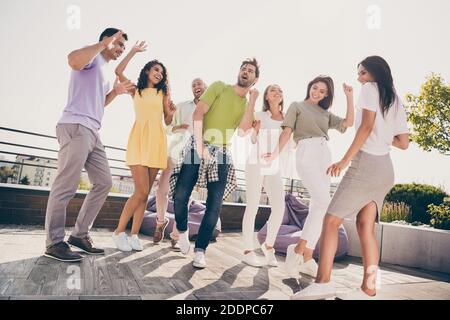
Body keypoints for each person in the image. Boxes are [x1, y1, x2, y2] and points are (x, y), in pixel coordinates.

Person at [291, 56, 409, 300]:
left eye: (362, 72)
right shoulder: (395, 99)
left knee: (331, 220)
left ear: (375, 72)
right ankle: (368, 289)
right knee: (366, 228)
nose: (359, 77)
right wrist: (384, 135)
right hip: (385, 169)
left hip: (365, 165)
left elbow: (365, 127)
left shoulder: (369, 89)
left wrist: (345, 161)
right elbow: (403, 143)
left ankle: (323, 282)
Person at [44, 28, 133, 262]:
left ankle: (79, 236)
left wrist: (115, 92)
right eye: (119, 43)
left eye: (123, 46)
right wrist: (103, 44)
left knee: (104, 182)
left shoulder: (104, 70)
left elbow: (100, 102)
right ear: (107, 39)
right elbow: (72, 60)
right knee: (66, 186)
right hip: (75, 125)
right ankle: (54, 242)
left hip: (93, 131)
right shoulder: (92, 57)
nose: (121, 49)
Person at [170, 58, 260, 269]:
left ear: (255, 79)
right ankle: (182, 231)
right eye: (243, 68)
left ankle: (200, 250)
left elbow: (244, 131)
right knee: (180, 194)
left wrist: (253, 101)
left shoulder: (247, 104)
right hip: (197, 144)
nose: (246, 72)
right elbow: (198, 112)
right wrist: (200, 146)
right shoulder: (219, 87)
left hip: (221, 152)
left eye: (251, 71)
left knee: (214, 205)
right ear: (239, 72)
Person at [263, 76, 354, 277]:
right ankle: (297, 249)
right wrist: (275, 154)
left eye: (322, 91)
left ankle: (307, 257)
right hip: (306, 152)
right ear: (309, 87)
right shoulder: (296, 106)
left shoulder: (325, 113)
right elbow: (287, 132)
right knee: (324, 202)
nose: (317, 93)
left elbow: (349, 122)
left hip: (324, 154)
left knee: (318, 206)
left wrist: (349, 96)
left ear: (326, 95)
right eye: (315, 88)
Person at [112, 41, 176, 252]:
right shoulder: (135, 90)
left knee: (145, 193)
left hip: (157, 142)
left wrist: (171, 112)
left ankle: (134, 236)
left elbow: (167, 121)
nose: (159, 74)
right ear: (147, 71)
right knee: (140, 192)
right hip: (139, 140)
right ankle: (119, 232)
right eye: (156, 69)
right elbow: (118, 70)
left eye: (162, 72)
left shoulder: (163, 93)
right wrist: (133, 51)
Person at [154, 78, 207, 248]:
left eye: (199, 84)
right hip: (175, 151)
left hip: (194, 157)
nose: (196, 86)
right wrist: (179, 128)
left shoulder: (210, 109)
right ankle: (160, 222)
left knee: (186, 196)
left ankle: (176, 235)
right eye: (193, 85)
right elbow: (168, 128)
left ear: (206, 88)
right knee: (162, 188)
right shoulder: (183, 106)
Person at [242, 84, 289, 268]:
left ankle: (268, 246)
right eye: (272, 90)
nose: (277, 92)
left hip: (274, 166)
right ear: (267, 97)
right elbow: (251, 138)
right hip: (255, 162)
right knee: (252, 205)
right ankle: (247, 250)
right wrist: (256, 130)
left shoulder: (287, 119)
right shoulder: (260, 115)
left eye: (280, 89)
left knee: (279, 207)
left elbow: (290, 144)